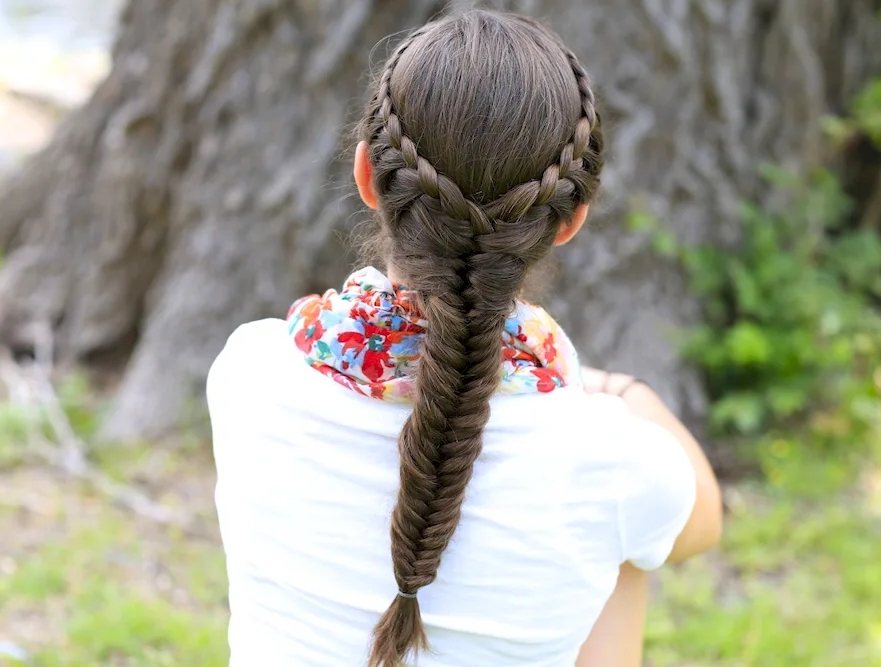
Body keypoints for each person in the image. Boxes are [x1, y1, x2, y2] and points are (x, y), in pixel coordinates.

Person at [207, 9, 722, 667]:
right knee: (625, 555)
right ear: (569, 221)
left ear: (367, 176)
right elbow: (701, 522)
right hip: (600, 446)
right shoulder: (608, 460)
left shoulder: (251, 371)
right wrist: (622, 392)